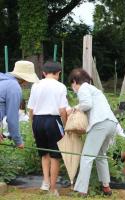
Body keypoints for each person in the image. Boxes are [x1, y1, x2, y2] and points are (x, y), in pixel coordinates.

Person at [69, 68, 118, 196]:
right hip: (111, 123)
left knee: (87, 157)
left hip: (100, 124)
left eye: (72, 85)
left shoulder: (83, 88)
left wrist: (75, 108)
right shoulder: (96, 90)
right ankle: (106, 187)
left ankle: (81, 190)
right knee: (101, 155)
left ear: (74, 82)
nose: (73, 88)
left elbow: (86, 104)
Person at [28, 61, 68, 196]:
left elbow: (31, 109)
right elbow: (63, 110)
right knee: (55, 156)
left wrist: (32, 126)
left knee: (44, 153)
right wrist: (65, 126)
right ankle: (52, 189)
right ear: (59, 73)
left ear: (44, 73)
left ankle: (45, 182)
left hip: (38, 120)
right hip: (53, 121)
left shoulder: (36, 85)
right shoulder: (60, 86)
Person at [0, 60, 39, 147]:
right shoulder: (14, 87)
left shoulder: (2, 80)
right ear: (24, 79)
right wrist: (19, 142)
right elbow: (12, 118)